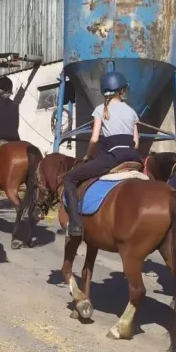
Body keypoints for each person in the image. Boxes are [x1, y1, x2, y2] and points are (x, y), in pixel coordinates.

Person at [61, 70, 142, 237]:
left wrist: (88, 157)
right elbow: (136, 142)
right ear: (122, 90)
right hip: (134, 158)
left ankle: (75, 225)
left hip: (113, 158)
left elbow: (94, 139)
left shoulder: (100, 109)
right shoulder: (132, 111)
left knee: (69, 178)